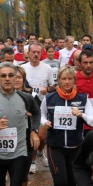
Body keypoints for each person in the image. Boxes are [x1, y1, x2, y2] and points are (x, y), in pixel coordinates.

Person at [41, 66, 93, 186]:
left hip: (75, 147)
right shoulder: (50, 98)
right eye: (63, 79)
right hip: (55, 145)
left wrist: (82, 115)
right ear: (58, 80)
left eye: (70, 79)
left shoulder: (82, 99)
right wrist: (44, 122)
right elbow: (42, 114)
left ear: (74, 80)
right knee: (61, 182)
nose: (67, 82)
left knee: (72, 184)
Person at [22, 42, 55, 173]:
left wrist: (47, 89)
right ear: (28, 53)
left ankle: (40, 152)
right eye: (33, 52)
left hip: (42, 106)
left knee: (42, 137)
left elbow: (53, 86)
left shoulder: (47, 68)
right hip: (27, 106)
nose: (36, 54)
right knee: (31, 134)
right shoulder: (22, 68)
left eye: (38, 52)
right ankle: (33, 161)